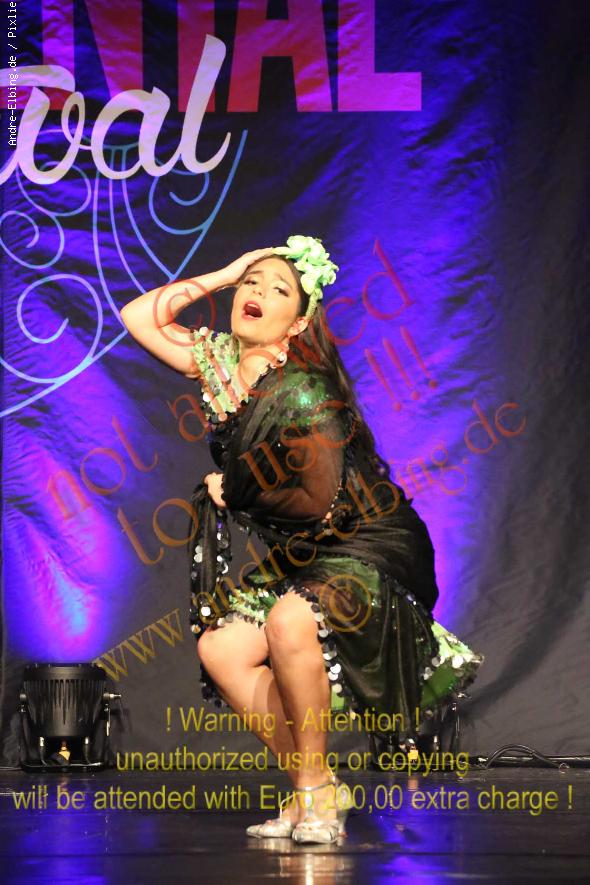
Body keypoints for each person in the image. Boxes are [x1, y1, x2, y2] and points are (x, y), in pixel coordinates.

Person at [121, 235, 484, 845]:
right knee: (222, 649)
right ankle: (315, 784)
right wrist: (227, 270)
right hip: (305, 552)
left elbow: (318, 501)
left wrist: (234, 491)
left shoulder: (303, 390)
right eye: (252, 284)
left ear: (298, 322)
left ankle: (312, 796)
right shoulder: (218, 363)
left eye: (278, 289)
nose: (258, 292)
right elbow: (138, 316)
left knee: (290, 620)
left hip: (363, 542)